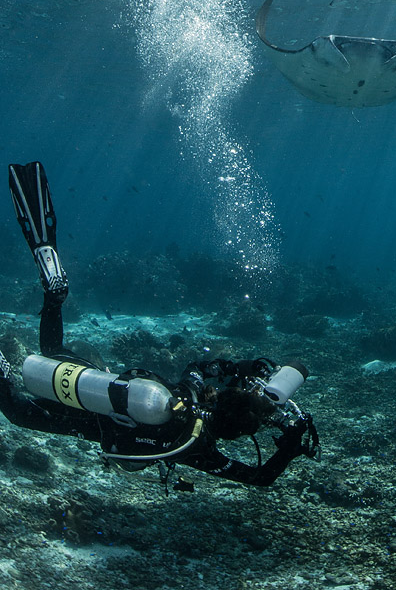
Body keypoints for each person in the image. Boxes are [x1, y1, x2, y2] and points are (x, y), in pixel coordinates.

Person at [0, 161, 319, 490]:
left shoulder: (190, 394)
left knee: (52, 350)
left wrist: (243, 368)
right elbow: (259, 477)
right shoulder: (197, 447)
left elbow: (199, 367)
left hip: (105, 387)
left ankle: (54, 293)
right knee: (18, 412)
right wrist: (291, 447)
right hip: (95, 415)